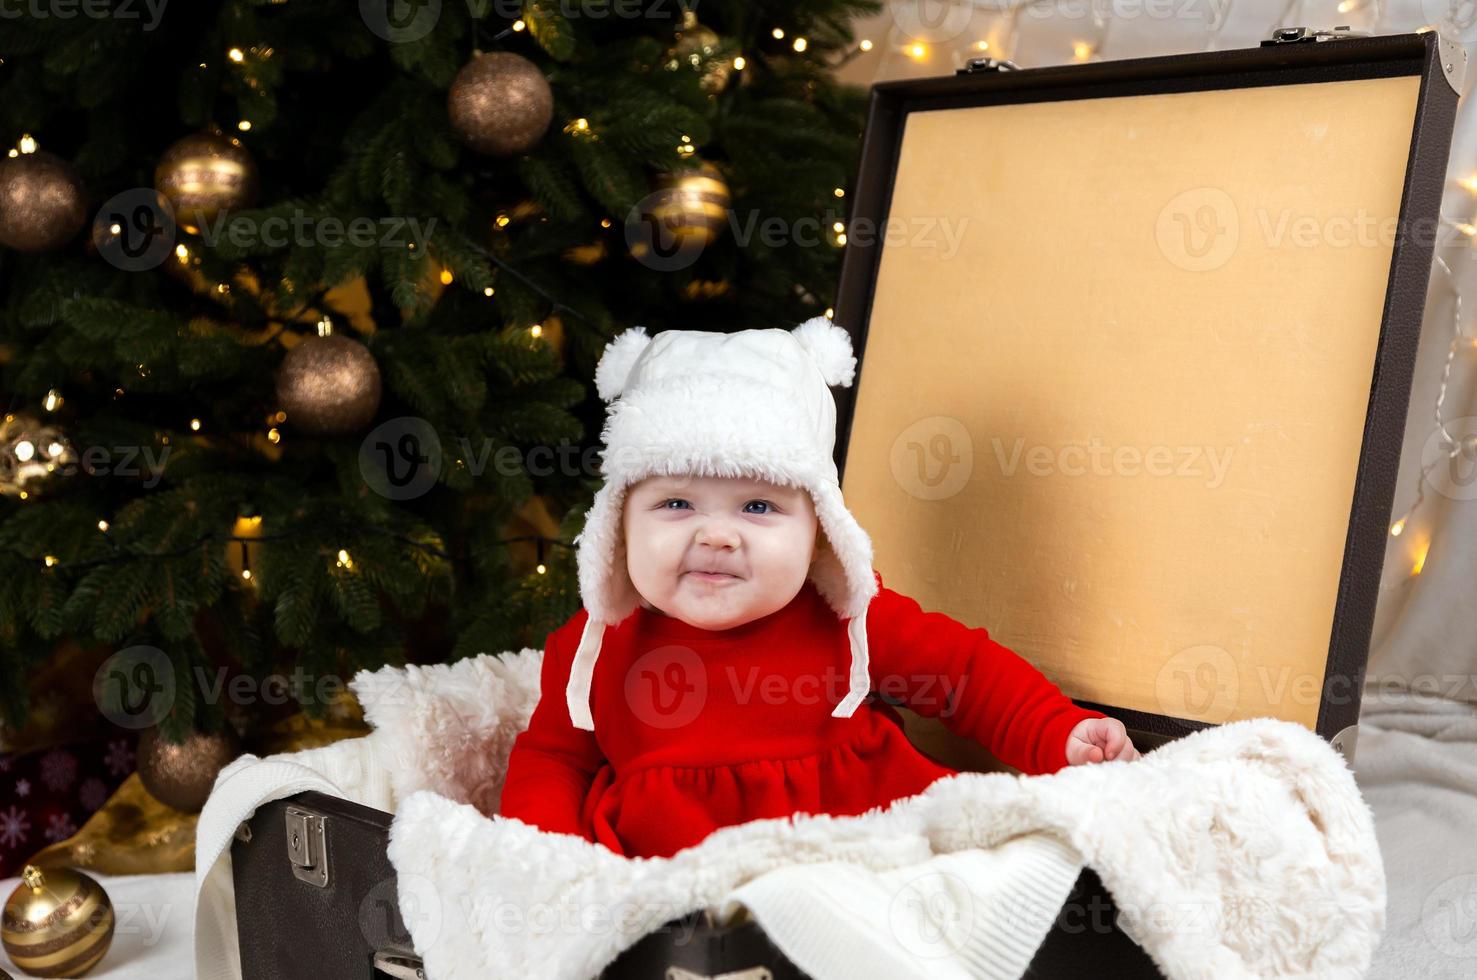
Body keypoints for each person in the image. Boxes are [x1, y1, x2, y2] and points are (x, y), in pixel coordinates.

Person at [499, 318, 1138, 859]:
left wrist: (1055, 731)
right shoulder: (596, 645)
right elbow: (554, 761)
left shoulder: (848, 616)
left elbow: (963, 674)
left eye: (756, 507)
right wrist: (542, 857)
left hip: (860, 850)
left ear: (820, 532)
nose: (716, 536)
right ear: (619, 523)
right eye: (675, 503)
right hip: (675, 877)